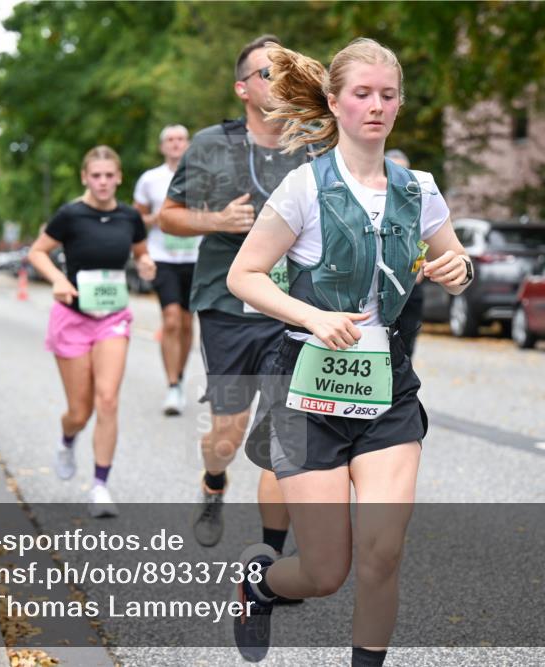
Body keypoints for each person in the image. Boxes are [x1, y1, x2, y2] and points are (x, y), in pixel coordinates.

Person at [225, 39, 473, 664]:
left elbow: (458, 258)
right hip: (307, 391)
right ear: (335, 103)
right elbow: (245, 275)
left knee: (384, 553)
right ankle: (260, 583)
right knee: (324, 571)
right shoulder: (304, 187)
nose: (377, 106)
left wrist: (455, 269)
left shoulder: (418, 189)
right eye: (362, 94)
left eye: (388, 95)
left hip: (385, 387)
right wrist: (313, 315)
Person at [160, 35, 308, 553]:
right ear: (242, 88)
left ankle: (270, 554)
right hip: (227, 306)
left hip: (292, 305)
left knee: (286, 428)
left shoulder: (314, 140)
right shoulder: (209, 144)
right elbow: (168, 216)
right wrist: (215, 220)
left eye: (285, 70)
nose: (279, 79)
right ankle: (214, 481)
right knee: (228, 432)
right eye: (267, 72)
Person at [27, 146, 156, 518]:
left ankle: (100, 485)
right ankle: (68, 439)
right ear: (85, 177)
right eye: (95, 175)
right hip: (72, 317)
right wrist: (56, 280)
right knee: (80, 411)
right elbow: (37, 252)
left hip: (112, 316)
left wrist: (146, 265)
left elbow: (141, 252)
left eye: (109, 175)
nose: (102, 182)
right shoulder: (70, 214)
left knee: (108, 399)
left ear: (118, 178)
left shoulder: (130, 217)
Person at [133, 124, 195, 416]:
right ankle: (172, 384)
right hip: (163, 258)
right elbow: (136, 221)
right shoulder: (150, 179)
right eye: (170, 140)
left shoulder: (202, 175)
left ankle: (179, 376)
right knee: (170, 319)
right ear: (162, 146)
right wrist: (157, 219)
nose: (175, 144)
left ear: (188, 144)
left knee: (186, 322)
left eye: (180, 139)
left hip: (196, 257)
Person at [385, 149, 425, 357]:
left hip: (409, 288)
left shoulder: (418, 202)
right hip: (380, 288)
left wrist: (417, 269)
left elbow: (422, 243)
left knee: (405, 346)